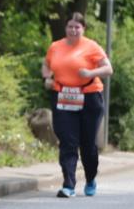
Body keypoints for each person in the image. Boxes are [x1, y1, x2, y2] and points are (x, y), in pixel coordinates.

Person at [41, 13, 113, 198]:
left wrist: (90, 72)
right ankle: (69, 185)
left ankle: (90, 179)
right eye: (70, 27)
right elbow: (46, 65)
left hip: (89, 97)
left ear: (83, 29)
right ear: (65, 28)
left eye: (77, 27)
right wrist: (47, 78)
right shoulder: (55, 47)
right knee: (67, 141)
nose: (73, 30)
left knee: (88, 144)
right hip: (63, 97)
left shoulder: (92, 46)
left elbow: (108, 69)